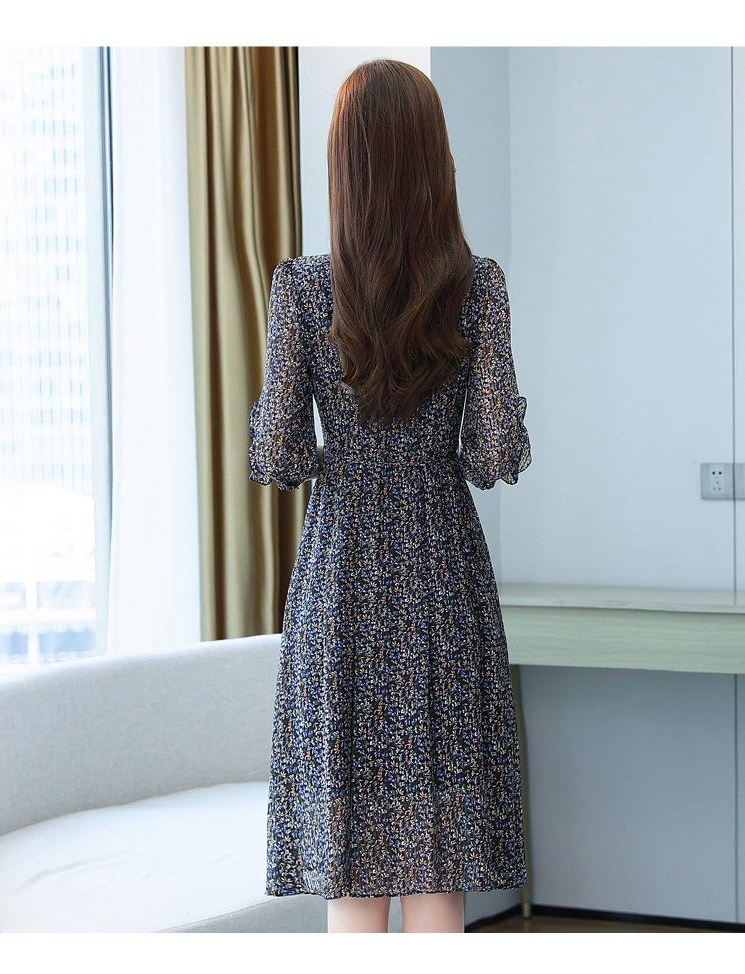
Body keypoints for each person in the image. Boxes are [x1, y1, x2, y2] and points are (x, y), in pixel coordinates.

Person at [248, 58, 532, 934]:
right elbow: (494, 455)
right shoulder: (476, 287)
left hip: (341, 584)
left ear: (346, 164)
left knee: (352, 862)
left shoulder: (302, 289)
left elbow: (276, 456)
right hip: (442, 575)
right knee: (439, 856)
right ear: (434, 161)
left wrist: (325, 440)